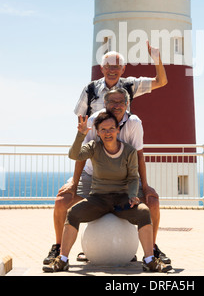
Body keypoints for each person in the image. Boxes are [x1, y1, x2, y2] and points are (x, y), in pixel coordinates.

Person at [43, 87, 171, 266]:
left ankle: (151, 252)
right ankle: (59, 251)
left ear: (127, 105)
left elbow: (138, 159)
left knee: (153, 202)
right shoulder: (95, 121)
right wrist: (73, 182)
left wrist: (144, 186)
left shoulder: (133, 125)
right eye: (112, 101)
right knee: (61, 202)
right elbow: (78, 155)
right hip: (94, 177)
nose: (116, 105)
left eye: (120, 102)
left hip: (124, 180)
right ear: (105, 103)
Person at [74, 42, 168, 117]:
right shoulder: (90, 89)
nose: (111, 70)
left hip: (122, 140)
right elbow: (81, 118)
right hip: (95, 140)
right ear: (101, 68)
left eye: (116, 66)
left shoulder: (130, 86)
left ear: (123, 69)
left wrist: (157, 59)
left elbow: (161, 81)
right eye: (107, 66)